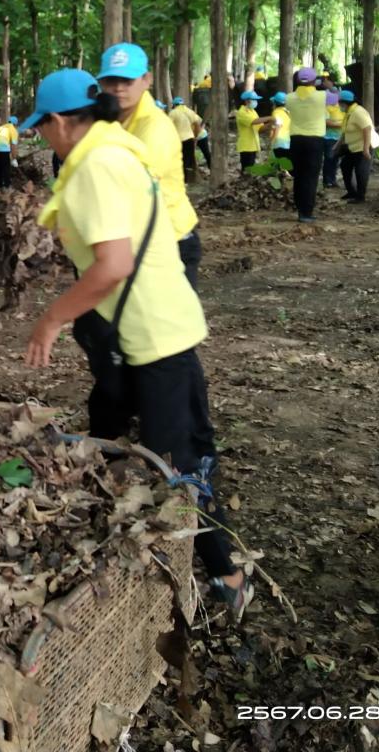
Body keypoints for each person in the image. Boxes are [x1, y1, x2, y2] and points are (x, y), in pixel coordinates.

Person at [20, 68, 253, 619]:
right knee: (104, 422)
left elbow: (114, 265)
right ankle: (96, 527)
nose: (42, 138)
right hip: (141, 329)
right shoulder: (112, 148)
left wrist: (51, 319)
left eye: (42, 129)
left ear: (58, 122)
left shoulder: (96, 167)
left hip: (153, 337)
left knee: (177, 467)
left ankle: (225, 571)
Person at [98, 43, 203, 290]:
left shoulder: (155, 127)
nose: (119, 88)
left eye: (127, 80)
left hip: (170, 243)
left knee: (172, 326)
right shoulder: (112, 120)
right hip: (138, 241)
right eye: (111, 80)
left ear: (146, 80)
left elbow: (133, 187)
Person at [284, 67, 327, 223]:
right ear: (313, 80)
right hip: (315, 140)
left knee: (299, 175)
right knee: (311, 176)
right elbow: (336, 96)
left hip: (296, 140)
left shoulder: (289, 98)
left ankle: (300, 208)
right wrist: (328, 85)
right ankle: (306, 212)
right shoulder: (322, 96)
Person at [339, 91, 375, 203]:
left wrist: (365, 149)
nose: (339, 106)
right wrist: (338, 144)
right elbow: (345, 131)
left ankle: (360, 196)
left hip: (363, 146)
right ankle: (351, 191)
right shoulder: (349, 113)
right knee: (345, 165)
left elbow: (367, 129)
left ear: (345, 103)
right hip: (353, 147)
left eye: (340, 103)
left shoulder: (358, 112)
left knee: (361, 171)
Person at [235, 90, 272, 171]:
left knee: (251, 168)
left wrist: (271, 125)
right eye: (253, 99)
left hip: (253, 145)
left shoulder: (253, 112)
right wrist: (270, 118)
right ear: (246, 101)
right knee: (246, 169)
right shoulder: (242, 112)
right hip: (246, 146)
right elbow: (253, 122)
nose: (255, 102)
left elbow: (260, 129)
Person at [168, 96, 199, 179]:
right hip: (190, 138)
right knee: (189, 159)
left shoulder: (173, 112)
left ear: (174, 105)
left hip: (179, 140)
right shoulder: (190, 111)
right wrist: (195, 135)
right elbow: (197, 124)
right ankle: (189, 179)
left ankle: (182, 179)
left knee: (180, 159)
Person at [0, 116, 20, 190]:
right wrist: (14, 158)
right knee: (6, 169)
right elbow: (13, 145)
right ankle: (7, 187)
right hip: (3, 150)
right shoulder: (13, 130)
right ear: (15, 124)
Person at [322, 90, 344, 188]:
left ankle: (333, 180)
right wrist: (341, 124)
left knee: (335, 159)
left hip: (339, 138)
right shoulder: (326, 109)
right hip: (329, 138)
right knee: (329, 158)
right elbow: (326, 122)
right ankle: (327, 181)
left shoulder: (340, 108)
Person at [268, 92, 291, 163]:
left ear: (274, 103)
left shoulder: (276, 112)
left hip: (278, 141)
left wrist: (272, 139)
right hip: (287, 141)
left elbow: (278, 125)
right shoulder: (288, 112)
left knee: (278, 163)